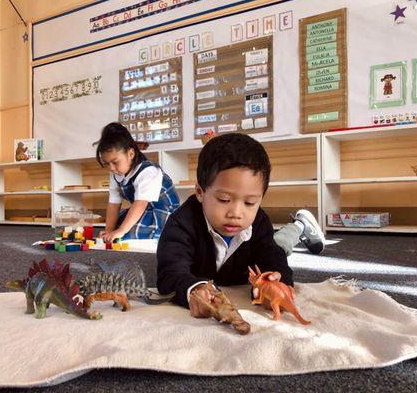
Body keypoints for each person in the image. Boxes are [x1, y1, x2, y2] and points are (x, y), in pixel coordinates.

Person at [156, 133, 325, 317]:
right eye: (224, 199)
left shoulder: (259, 221)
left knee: (281, 245)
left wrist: (277, 281)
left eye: (250, 203)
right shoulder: (181, 224)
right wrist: (193, 289)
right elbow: (170, 272)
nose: (236, 213)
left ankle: (300, 225)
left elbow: (273, 258)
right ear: (200, 192)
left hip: (263, 246)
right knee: (278, 242)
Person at [95, 122, 179, 241]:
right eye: (107, 164)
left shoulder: (148, 171)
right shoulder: (116, 173)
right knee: (118, 228)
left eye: (115, 162)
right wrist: (109, 231)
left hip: (163, 211)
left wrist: (121, 230)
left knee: (127, 235)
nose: (112, 168)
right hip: (143, 209)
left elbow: (140, 204)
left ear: (131, 154)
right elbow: (113, 204)